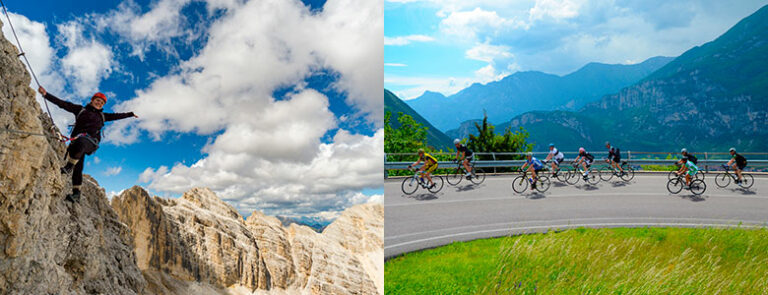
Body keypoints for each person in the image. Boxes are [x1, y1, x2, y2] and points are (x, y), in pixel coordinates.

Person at [38, 86, 137, 202]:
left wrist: (130, 114)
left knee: (81, 143)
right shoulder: (80, 110)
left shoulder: (103, 116)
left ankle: (69, 166)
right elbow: (63, 104)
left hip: (91, 142)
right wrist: (46, 94)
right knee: (78, 166)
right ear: (92, 100)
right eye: (97, 100)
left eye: (101, 102)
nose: (99, 103)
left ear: (103, 105)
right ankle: (76, 194)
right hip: (77, 141)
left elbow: (118, 116)